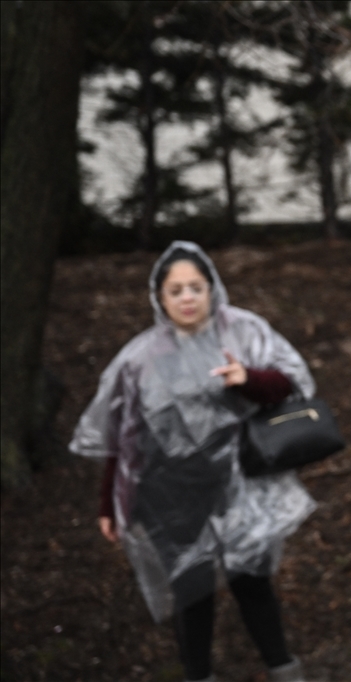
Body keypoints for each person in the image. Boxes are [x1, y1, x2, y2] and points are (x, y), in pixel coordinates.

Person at [70, 241, 313, 682]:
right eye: (176, 290)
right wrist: (109, 503)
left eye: (195, 287)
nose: (187, 298)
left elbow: (293, 386)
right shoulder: (140, 357)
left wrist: (248, 379)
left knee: (251, 582)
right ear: (159, 298)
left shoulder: (243, 332)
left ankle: (284, 670)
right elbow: (121, 439)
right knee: (191, 590)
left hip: (240, 486)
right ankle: (199, 676)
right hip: (171, 495)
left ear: (211, 289)